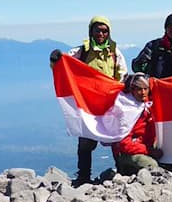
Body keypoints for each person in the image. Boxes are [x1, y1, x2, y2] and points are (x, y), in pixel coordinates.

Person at [49, 15, 127, 186]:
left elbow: (122, 75)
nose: (101, 33)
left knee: (116, 138)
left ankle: (123, 173)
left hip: (109, 103)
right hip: (88, 104)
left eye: (105, 30)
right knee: (86, 141)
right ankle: (84, 177)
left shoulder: (115, 52)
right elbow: (65, 64)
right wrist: (55, 61)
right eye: (98, 30)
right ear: (91, 31)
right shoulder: (81, 51)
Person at [112, 73, 163, 175]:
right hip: (127, 153)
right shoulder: (125, 110)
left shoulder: (147, 105)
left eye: (145, 88)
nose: (143, 92)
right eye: (139, 89)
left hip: (144, 149)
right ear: (132, 90)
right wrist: (148, 150)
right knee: (152, 166)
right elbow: (124, 144)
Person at [132, 13, 172, 78]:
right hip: (156, 86)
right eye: (171, 26)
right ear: (165, 28)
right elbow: (136, 68)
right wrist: (142, 62)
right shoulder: (153, 46)